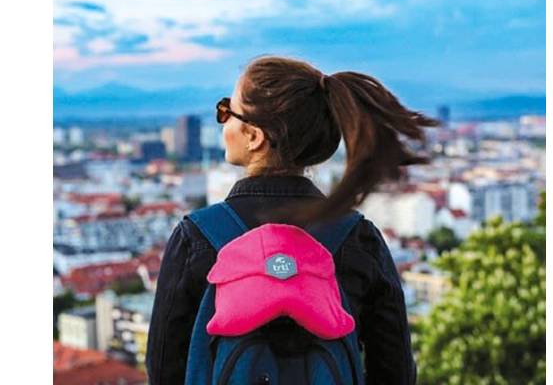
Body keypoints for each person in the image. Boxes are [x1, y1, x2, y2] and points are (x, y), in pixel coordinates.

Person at [145, 55, 440, 385]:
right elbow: (395, 370)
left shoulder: (196, 238)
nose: (222, 121)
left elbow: (163, 369)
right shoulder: (358, 239)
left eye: (226, 110)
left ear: (254, 136)